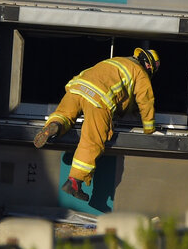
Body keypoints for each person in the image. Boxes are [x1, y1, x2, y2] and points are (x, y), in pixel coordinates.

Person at [33, 47, 159, 201]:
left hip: (77, 87)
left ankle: (55, 126)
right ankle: (74, 182)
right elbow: (145, 100)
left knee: (64, 115)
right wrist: (149, 128)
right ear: (149, 65)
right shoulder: (139, 72)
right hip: (99, 98)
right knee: (92, 141)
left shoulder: (115, 61)